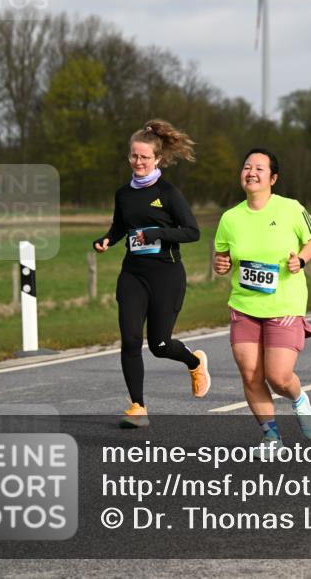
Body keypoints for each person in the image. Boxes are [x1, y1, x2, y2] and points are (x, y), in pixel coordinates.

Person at [93, 120, 208, 429]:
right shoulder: (123, 194)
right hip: (133, 275)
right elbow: (120, 227)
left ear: (157, 158)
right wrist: (107, 239)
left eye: (144, 157)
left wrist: (158, 233)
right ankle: (138, 406)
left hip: (166, 276)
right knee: (130, 340)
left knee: (158, 345)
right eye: (134, 156)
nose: (138, 162)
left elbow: (192, 232)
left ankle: (194, 362)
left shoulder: (167, 193)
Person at [213, 149, 311, 451]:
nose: (251, 172)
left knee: (278, 376)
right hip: (244, 305)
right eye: (247, 166)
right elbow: (222, 257)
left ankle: (299, 399)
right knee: (250, 373)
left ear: (272, 178)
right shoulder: (230, 218)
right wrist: (219, 265)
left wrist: (300, 260)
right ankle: (271, 436)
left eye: (259, 168)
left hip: (284, 304)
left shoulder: (291, 209)